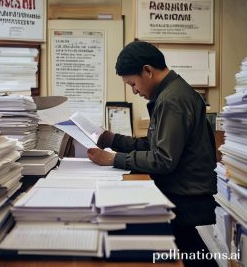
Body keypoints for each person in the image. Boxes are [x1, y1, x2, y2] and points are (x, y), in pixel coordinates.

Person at [88, 41, 218, 266]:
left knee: (187, 255)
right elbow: (153, 143)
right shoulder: (171, 93)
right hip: (185, 191)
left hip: (185, 198)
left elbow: (162, 159)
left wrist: (112, 159)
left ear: (148, 70)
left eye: (133, 83)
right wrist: (112, 140)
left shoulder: (171, 100)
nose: (134, 90)